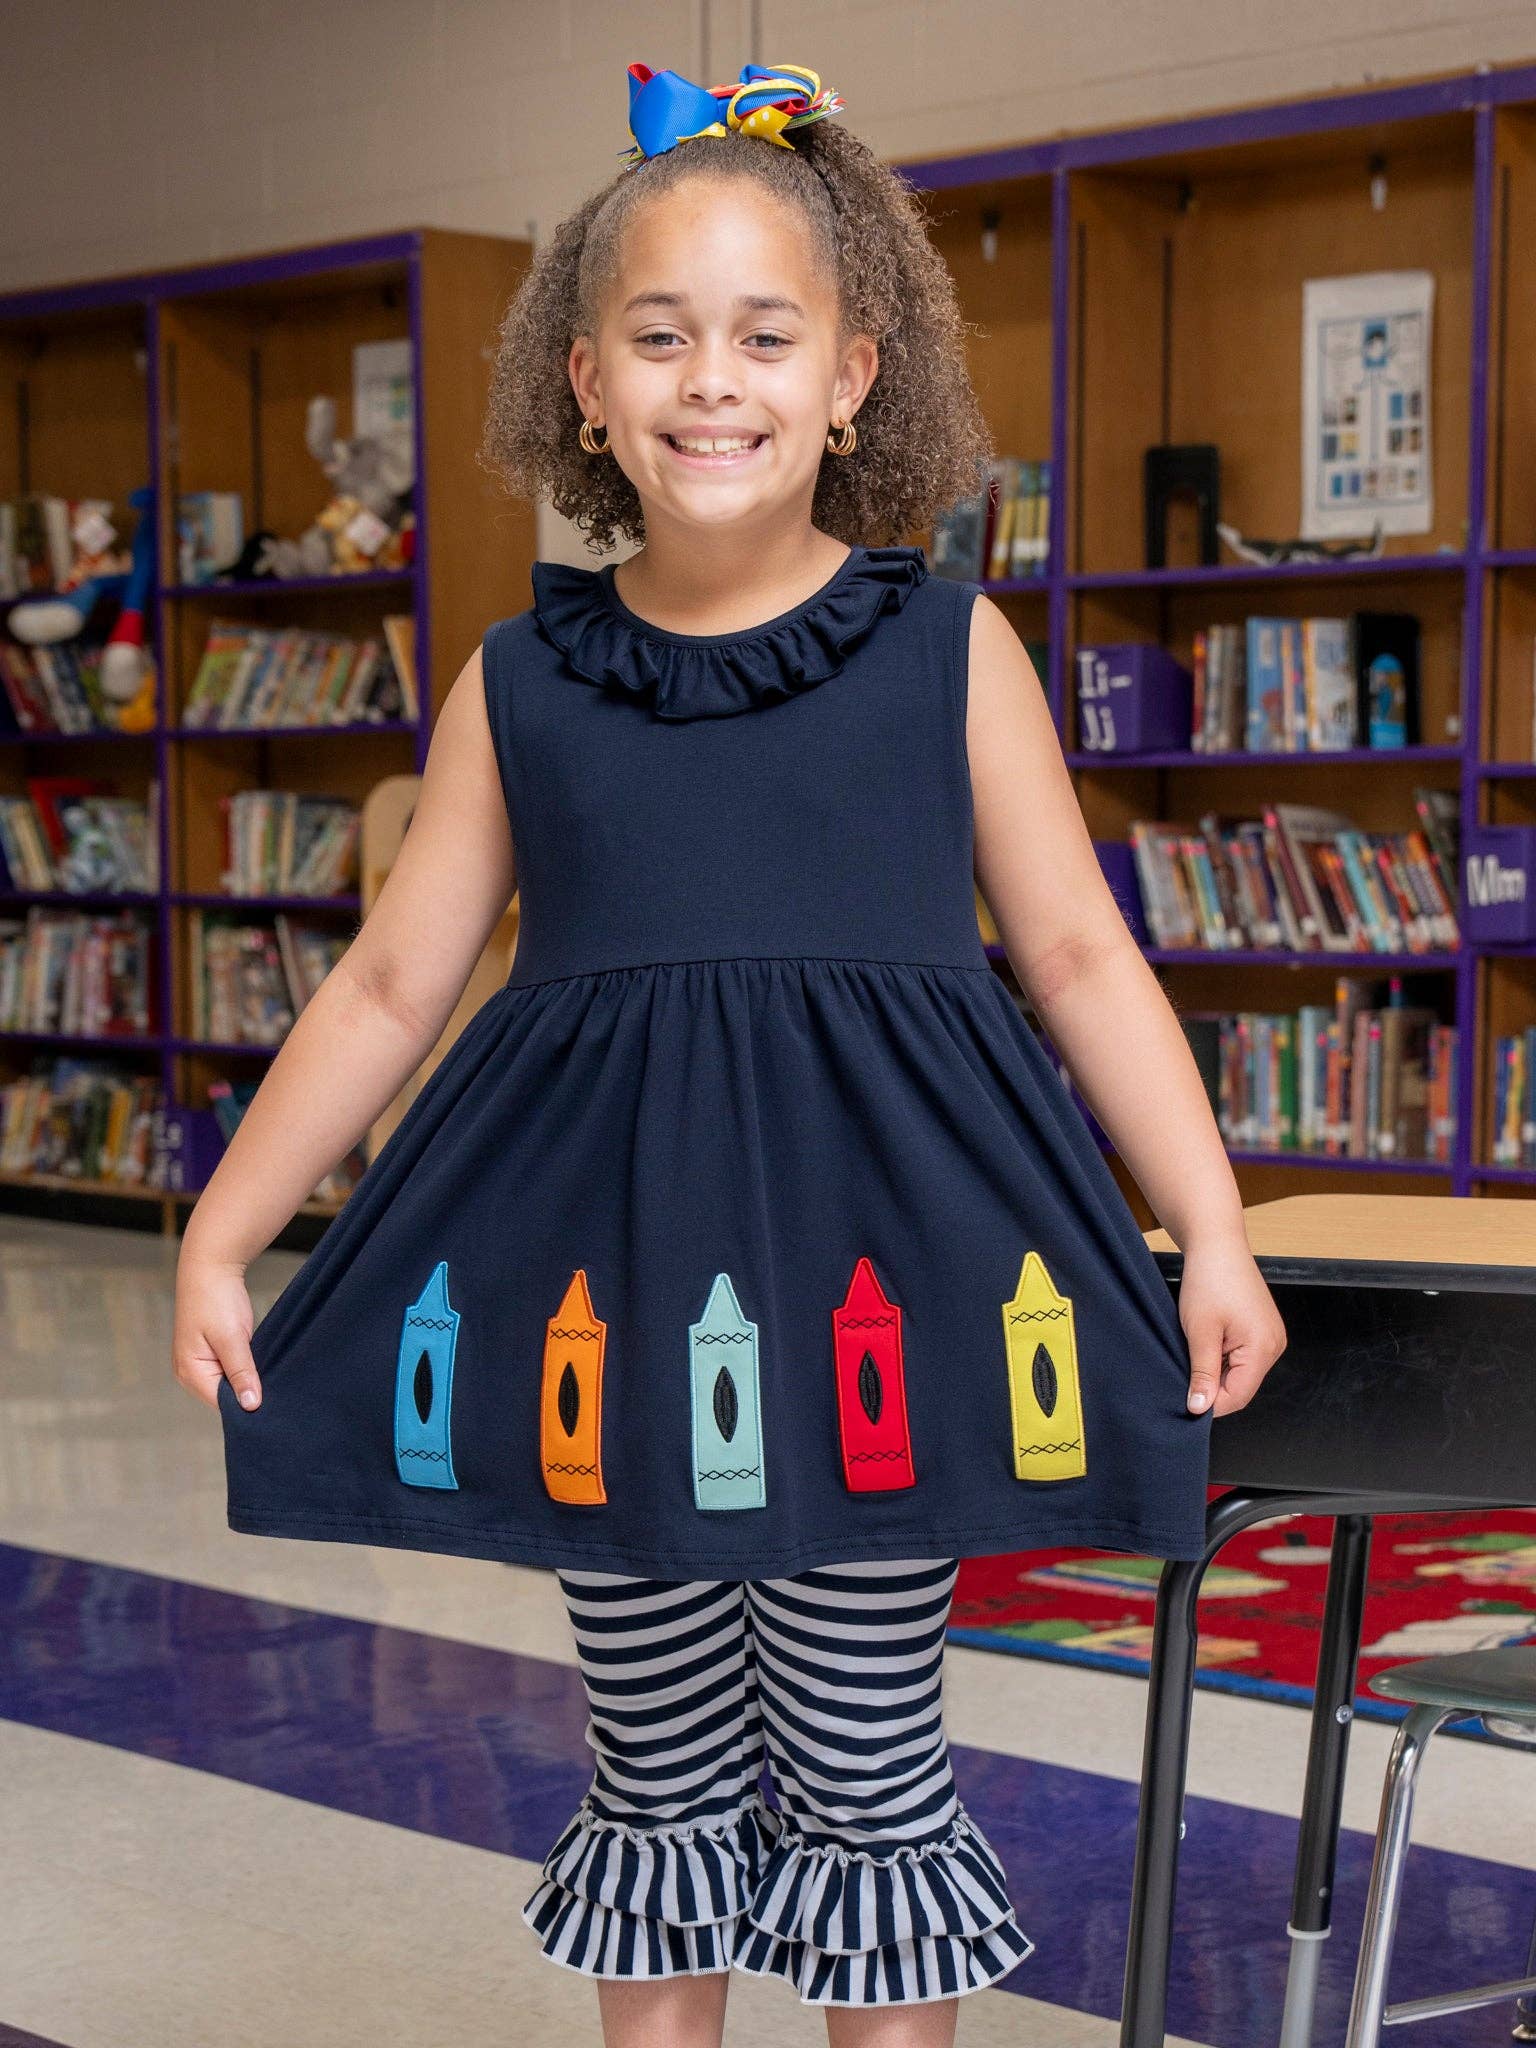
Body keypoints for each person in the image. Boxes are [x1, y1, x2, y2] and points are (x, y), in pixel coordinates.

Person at [173, 60, 1286, 2048]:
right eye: (661, 336)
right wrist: (221, 1230)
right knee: (660, 1767)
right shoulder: (520, 681)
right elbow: (390, 987)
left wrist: (1208, 1225)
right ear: (585, 383)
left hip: (887, 1302)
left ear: (852, 376)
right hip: (612, 1304)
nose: (714, 382)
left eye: (766, 338)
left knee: (866, 1766)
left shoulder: (950, 650)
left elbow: (1079, 958)